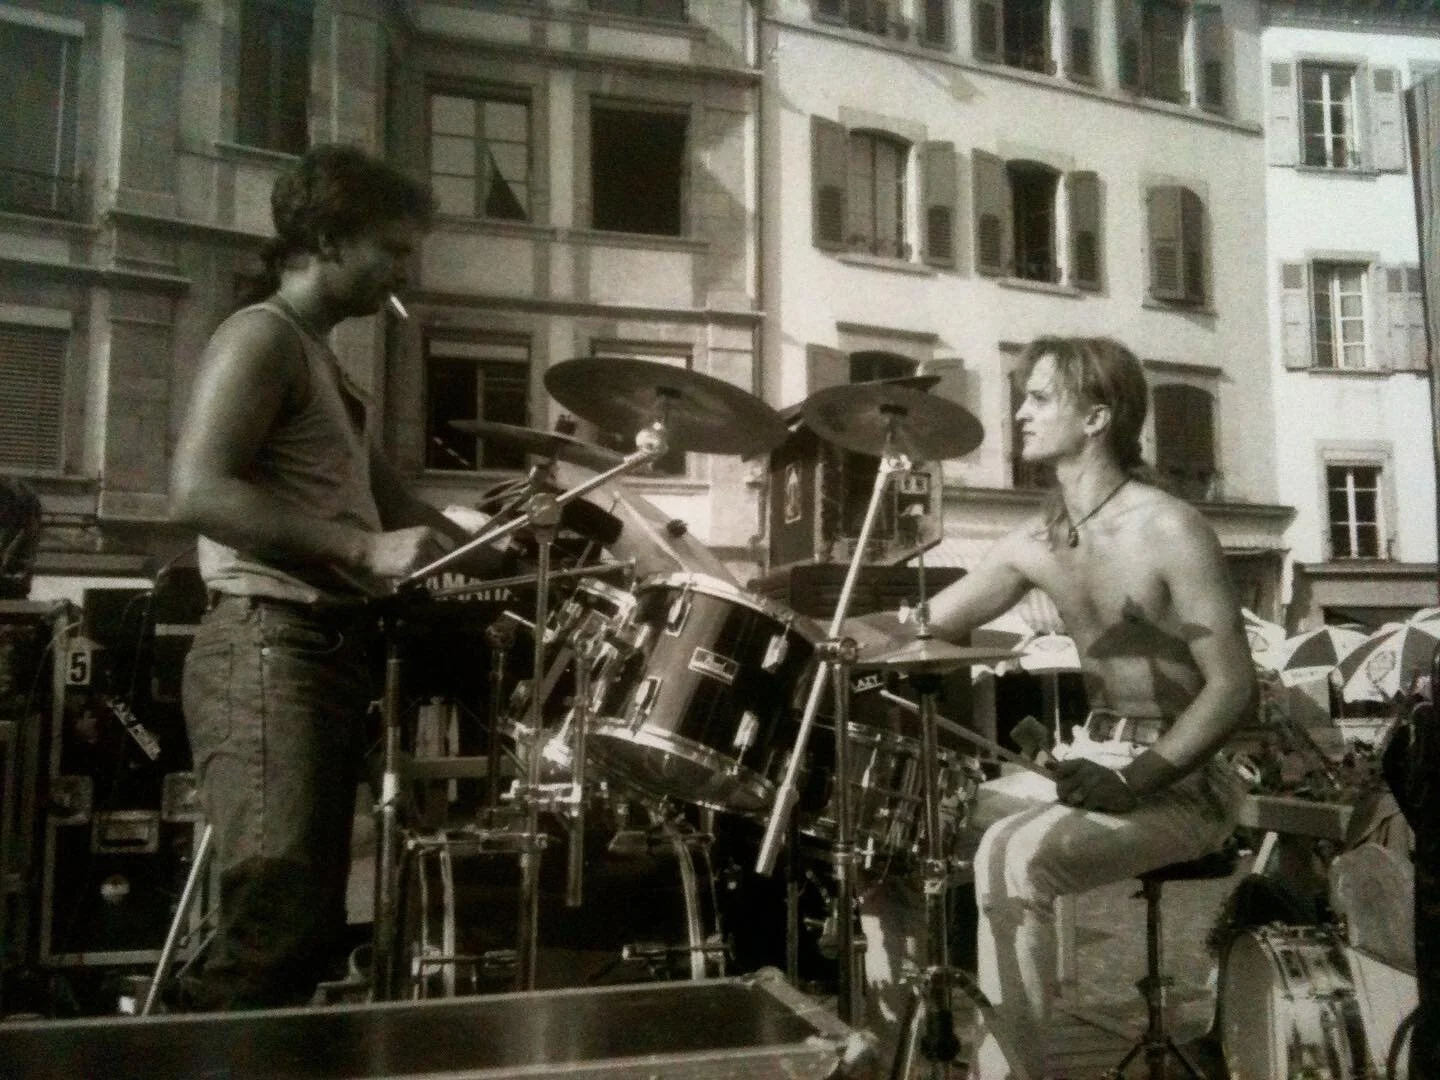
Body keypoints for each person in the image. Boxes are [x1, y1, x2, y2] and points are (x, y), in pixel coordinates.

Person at [169, 144, 502, 1009]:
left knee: (305, 927)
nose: (405, 269)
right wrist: (361, 551)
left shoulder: (323, 363)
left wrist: (502, 546)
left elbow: (397, 505)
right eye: (391, 249)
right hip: (267, 645)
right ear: (325, 239)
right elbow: (198, 491)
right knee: (275, 923)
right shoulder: (262, 336)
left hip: (311, 652)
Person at [918, 336, 1254, 1078]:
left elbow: (1234, 687)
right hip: (1092, 759)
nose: (1019, 412)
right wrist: (813, 630)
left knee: (1016, 857)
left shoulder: (1170, 528)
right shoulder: (1036, 540)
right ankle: (911, 1052)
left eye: (1039, 398)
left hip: (1185, 782)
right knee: (919, 827)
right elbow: (924, 627)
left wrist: (1136, 779)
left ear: (1097, 417)